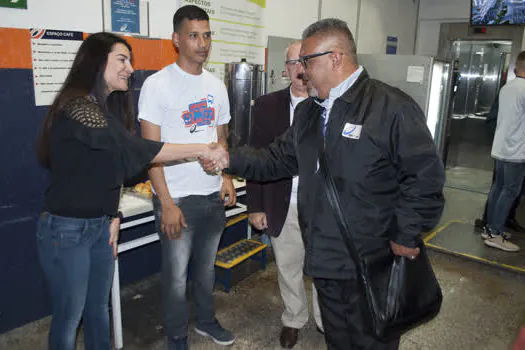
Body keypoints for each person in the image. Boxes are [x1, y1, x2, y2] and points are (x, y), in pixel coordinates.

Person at [201, 18, 445, 350]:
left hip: (372, 263)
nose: (301, 71)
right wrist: (229, 159)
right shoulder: (310, 114)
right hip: (326, 261)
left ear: (335, 57)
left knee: (372, 342)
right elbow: (275, 159)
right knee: (338, 340)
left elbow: (425, 176)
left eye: (307, 61)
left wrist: (406, 233)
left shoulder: (390, 107)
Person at [35, 32, 227, 350]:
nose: (130, 68)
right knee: (70, 317)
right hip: (66, 229)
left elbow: (108, 171)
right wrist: (202, 148)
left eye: (131, 61)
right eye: (122, 59)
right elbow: (132, 148)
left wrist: (113, 214)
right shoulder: (78, 108)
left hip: (98, 227)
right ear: (96, 62)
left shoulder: (101, 109)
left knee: (98, 310)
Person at [138, 5, 236, 350]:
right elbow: (149, 151)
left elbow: (220, 137)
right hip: (176, 198)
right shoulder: (157, 85)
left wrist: (224, 177)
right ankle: (177, 336)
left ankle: (207, 322)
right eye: (194, 35)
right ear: (176, 39)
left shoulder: (216, 85)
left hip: (211, 195)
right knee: (176, 278)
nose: (202, 43)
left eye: (207, 35)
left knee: (206, 270)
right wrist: (165, 202)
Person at [247, 40, 323, 349]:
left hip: (321, 207)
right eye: (293, 63)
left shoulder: (328, 104)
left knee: (324, 268)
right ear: (285, 69)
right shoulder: (267, 106)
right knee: (288, 266)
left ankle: (324, 321)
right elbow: (256, 158)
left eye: (304, 62)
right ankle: (294, 317)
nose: (299, 69)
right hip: (282, 202)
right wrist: (255, 205)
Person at [483, 52, 525, 252]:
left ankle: (490, 228)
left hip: (500, 147)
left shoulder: (507, 88)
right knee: (509, 191)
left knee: (498, 189)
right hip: (516, 151)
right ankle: (496, 235)